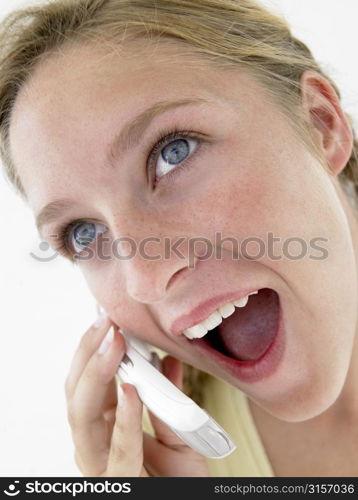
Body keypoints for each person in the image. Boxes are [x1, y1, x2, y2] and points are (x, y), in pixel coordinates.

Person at [0, 0, 357, 478]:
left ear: (321, 124)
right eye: (84, 234)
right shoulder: (159, 457)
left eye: (172, 153)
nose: (145, 278)